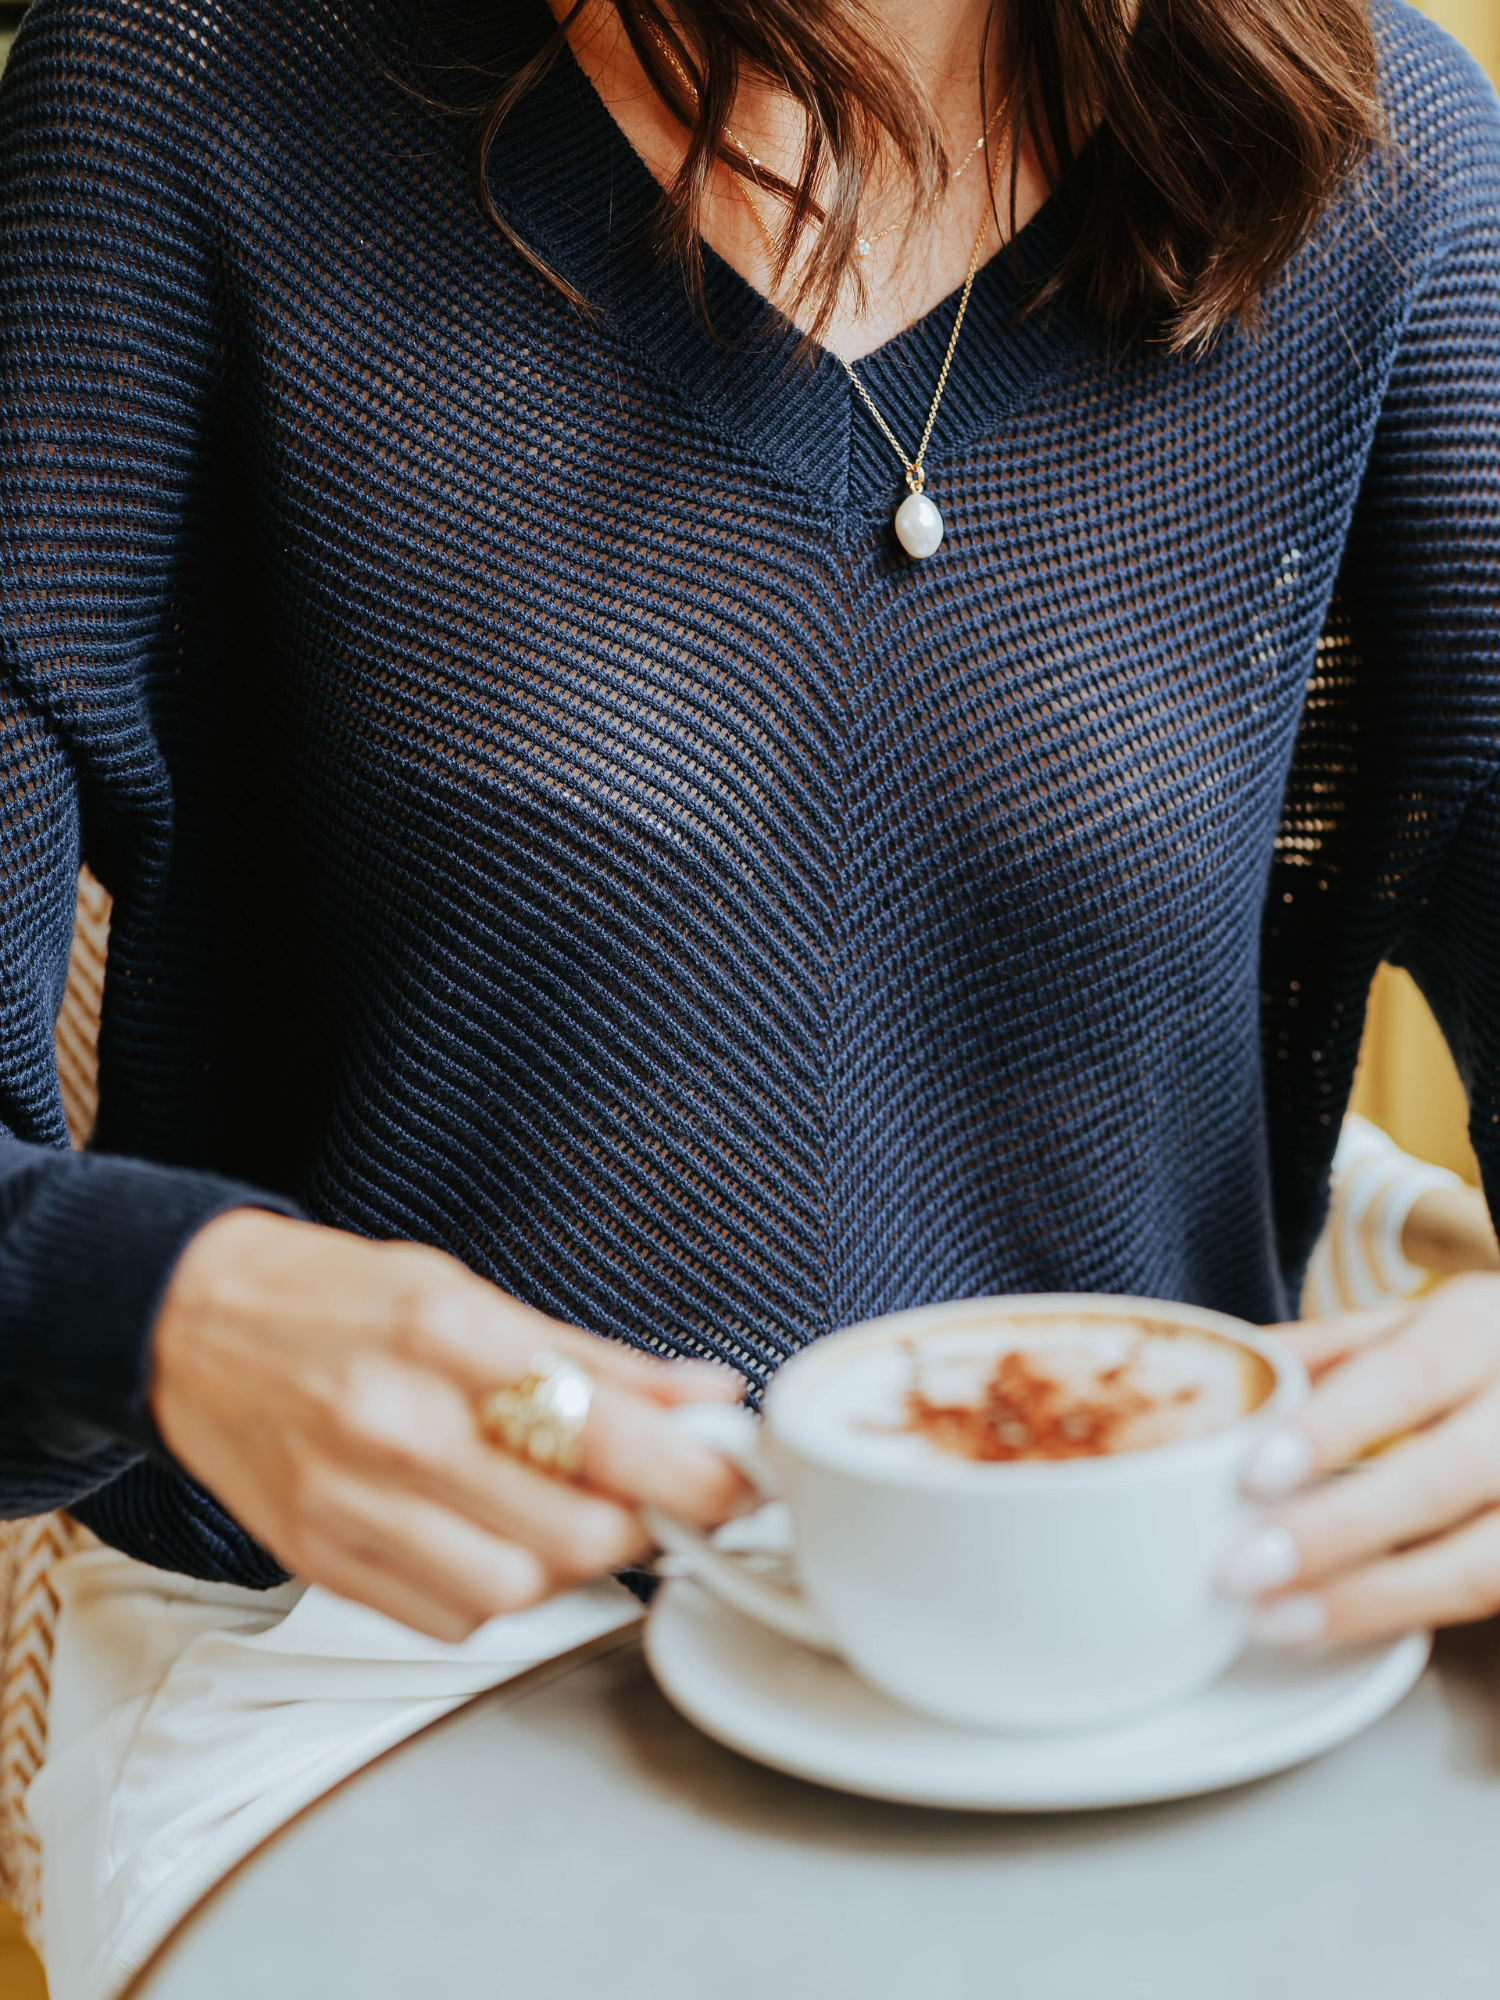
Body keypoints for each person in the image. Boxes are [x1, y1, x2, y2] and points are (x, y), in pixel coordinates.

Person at [0, 0, 1498, 1976]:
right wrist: (170, 1308)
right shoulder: (180, 76)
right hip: (386, 1664)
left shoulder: (1388, 162)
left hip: (1149, 1653)